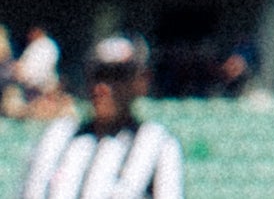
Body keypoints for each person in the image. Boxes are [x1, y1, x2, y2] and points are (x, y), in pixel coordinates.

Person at [20, 39, 183, 199]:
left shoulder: (157, 145)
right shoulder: (57, 138)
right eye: (98, 75)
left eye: (117, 75)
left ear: (141, 81)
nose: (104, 87)